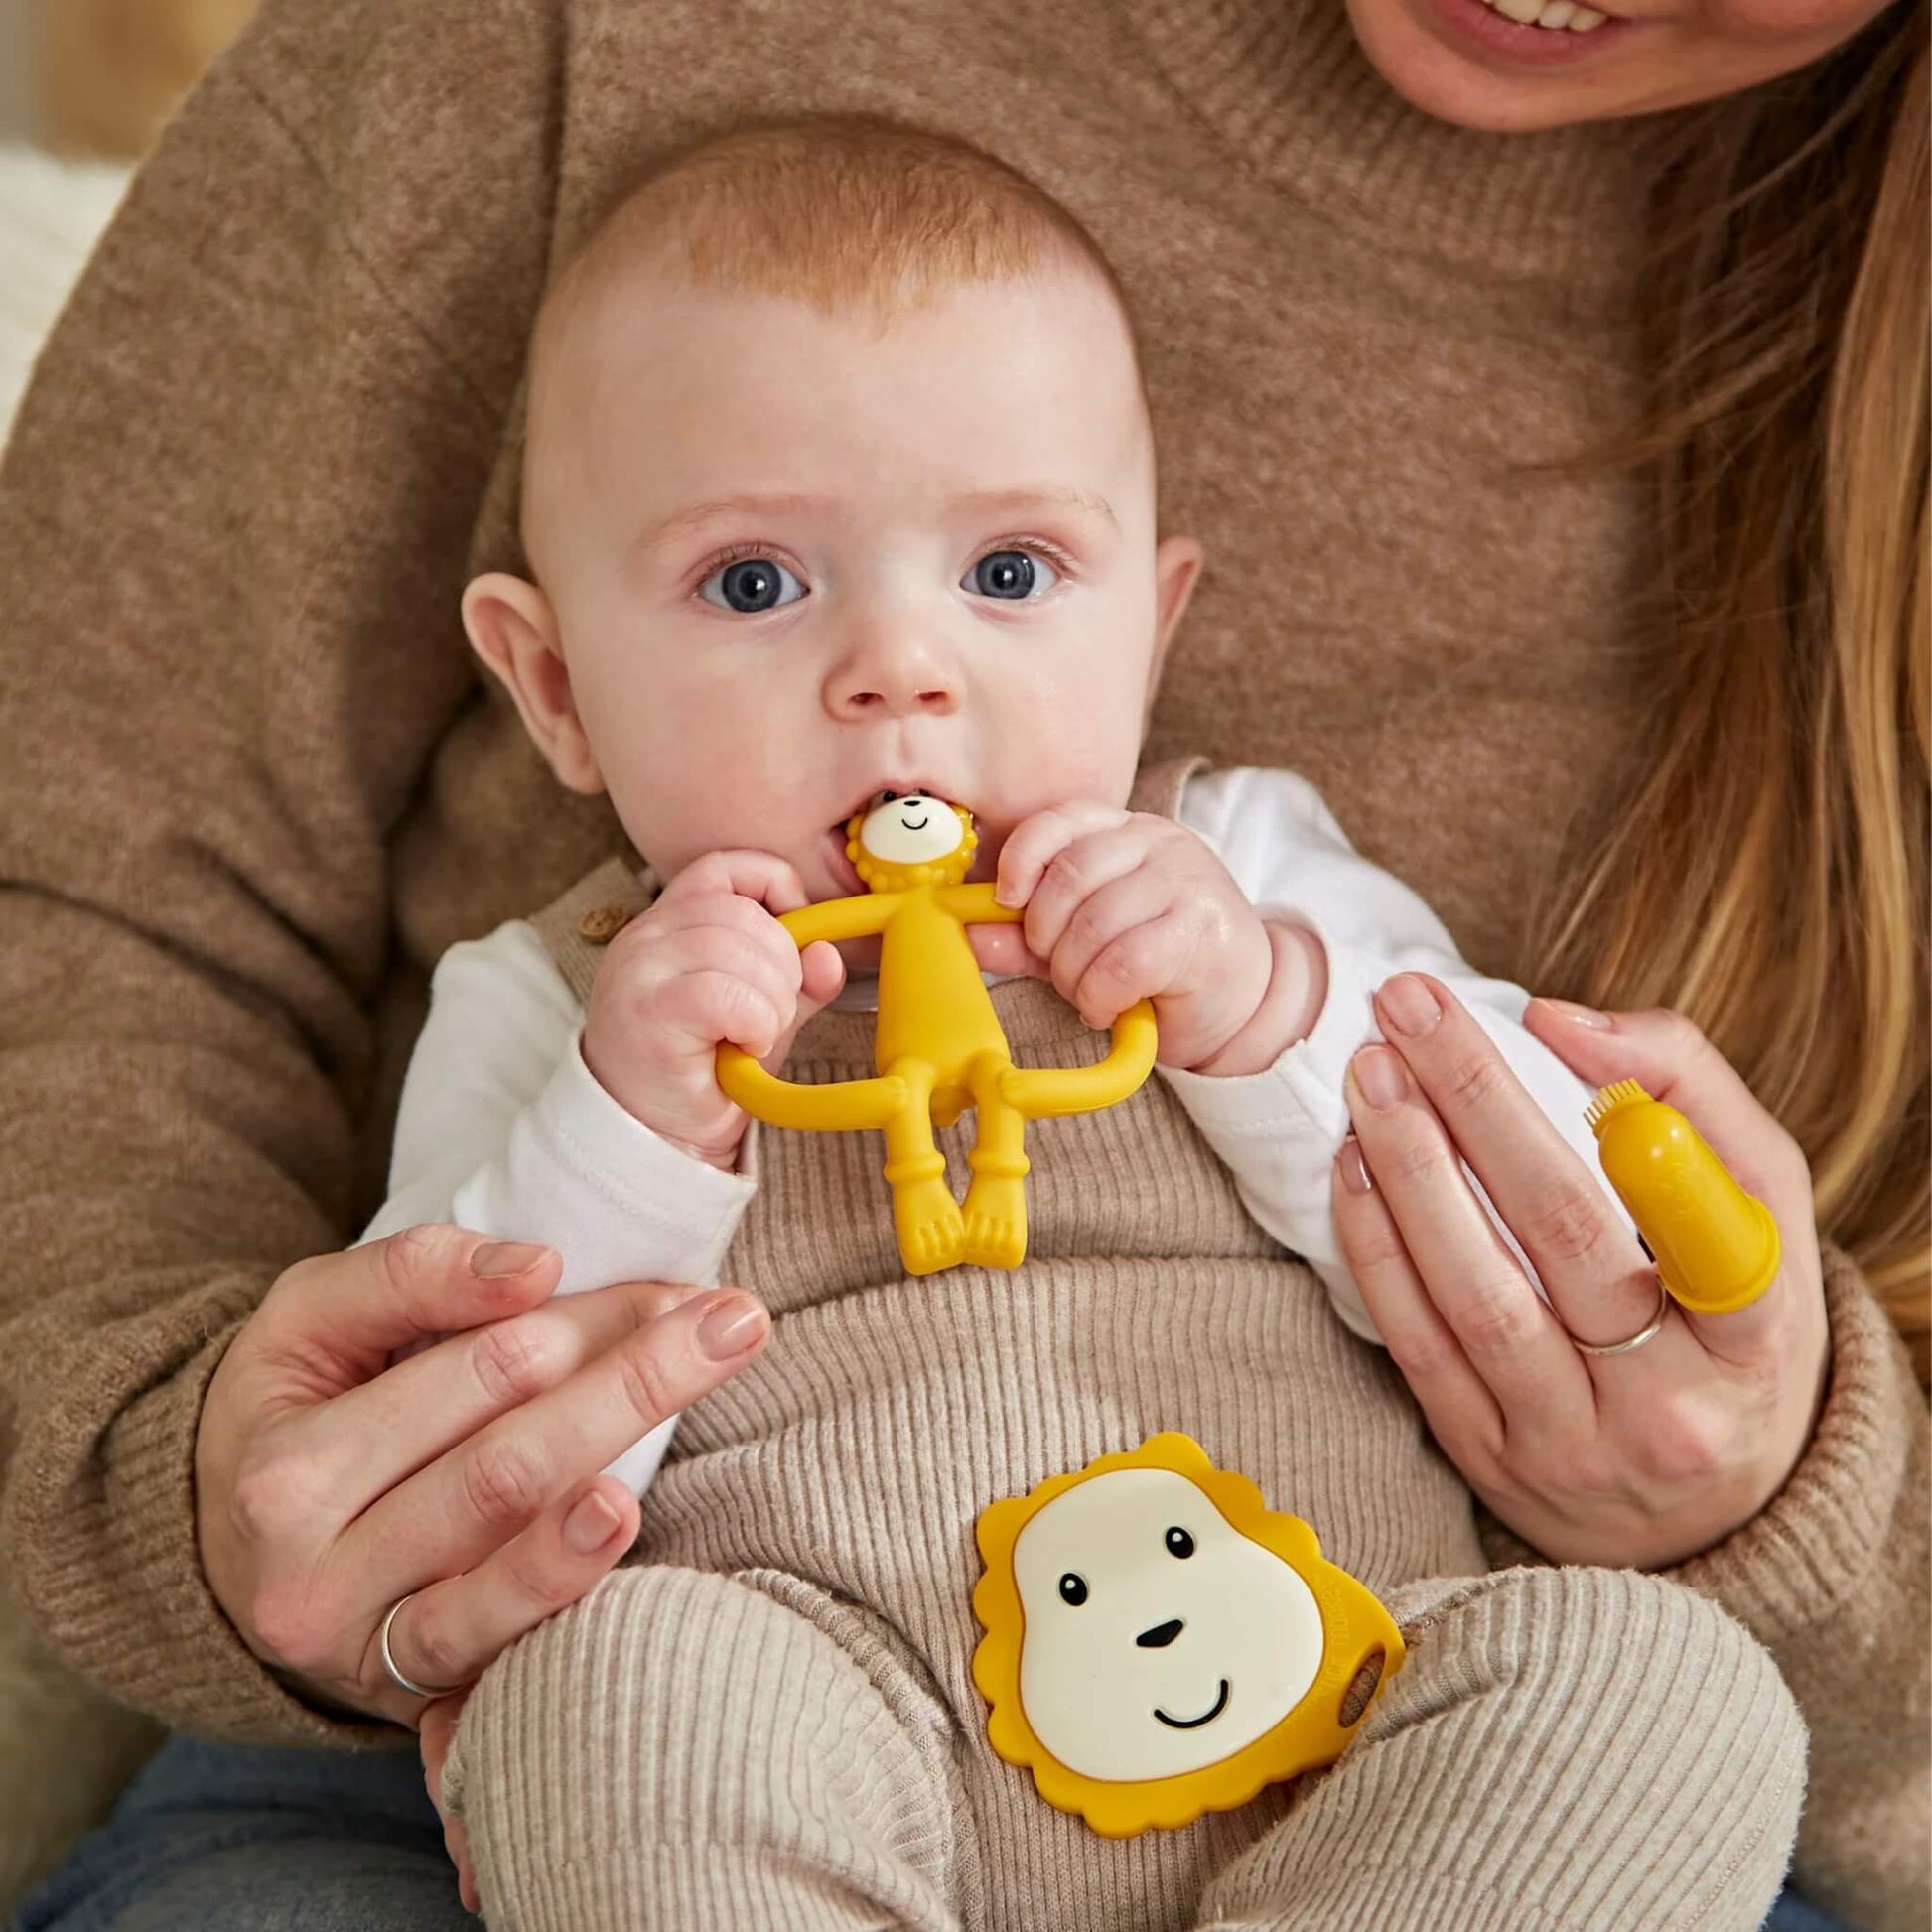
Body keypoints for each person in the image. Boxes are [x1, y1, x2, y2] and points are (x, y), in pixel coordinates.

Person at [0, 0, 1920, 1924]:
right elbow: (471, 1397)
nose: (901, 670)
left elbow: (1505, 1164)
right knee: (612, 1699)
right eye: (755, 586)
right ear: (557, 687)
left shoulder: (1241, 873)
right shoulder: (562, 997)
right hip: (794, 1692)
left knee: (1661, 1697)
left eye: (1010, 577)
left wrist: (1261, 1011)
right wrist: (632, 1121)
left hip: (1338, 1692)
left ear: (1154, 623)